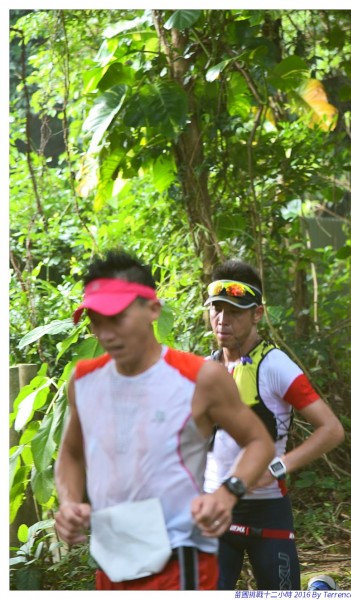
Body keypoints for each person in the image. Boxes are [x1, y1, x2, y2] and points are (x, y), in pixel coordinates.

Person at [54, 250, 275, 591]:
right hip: (112, 564)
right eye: (97, 320)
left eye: (118, 318)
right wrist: (69, 503)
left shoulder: (200, 378)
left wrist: (228, 492)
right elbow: (70, 452)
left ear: (153, 310)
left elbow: (259, 442)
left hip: (181, 565)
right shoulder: (83, 380)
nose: (107, 333)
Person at [203, 259, 345, 591]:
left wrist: (280, 466)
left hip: (267, 510)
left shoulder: (276, 365)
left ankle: (321, 591)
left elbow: (332, 430)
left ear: (257, 314)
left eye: (235, 311)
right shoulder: (204, 369)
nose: (222, 319)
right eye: (217, 309)